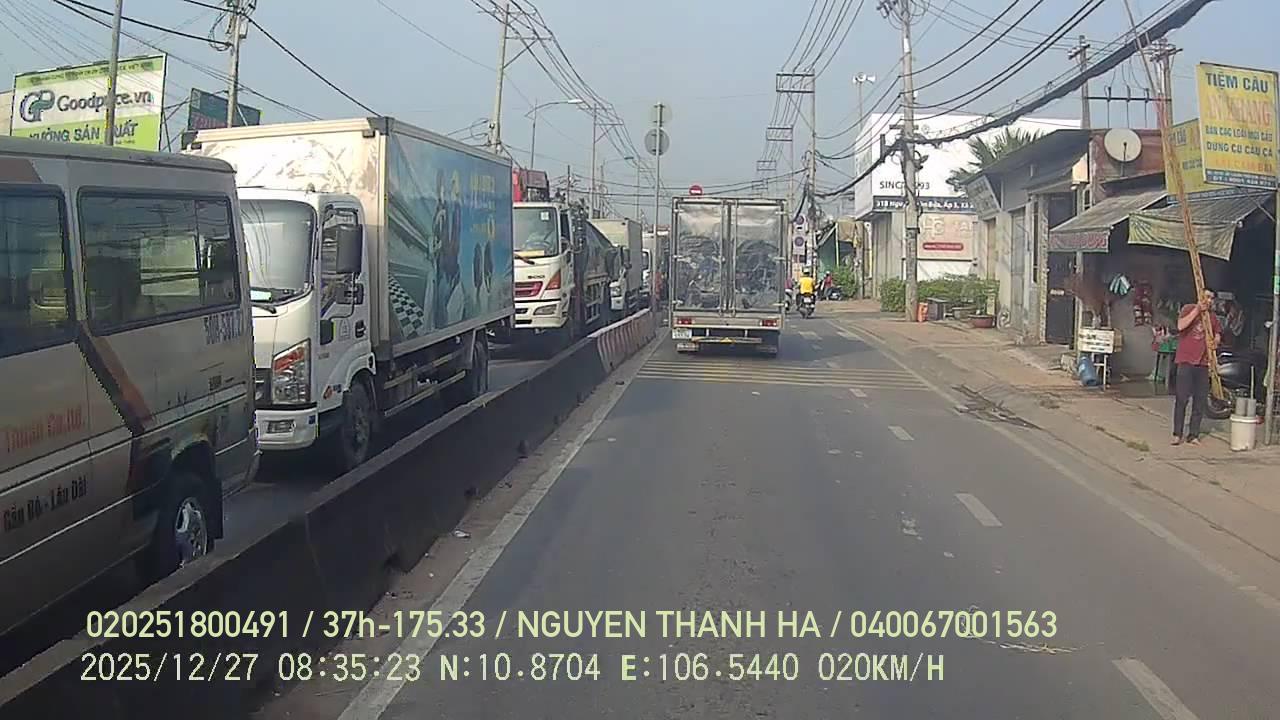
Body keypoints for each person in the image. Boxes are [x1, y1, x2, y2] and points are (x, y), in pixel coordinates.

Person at [1172, 289, 1221, 446]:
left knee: (1199, 401)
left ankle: (1193, 435)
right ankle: (1177, 434)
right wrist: (1197, 310)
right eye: (1206, 297)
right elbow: (1180, 326)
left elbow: (1217, 334)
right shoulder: (1188, 308)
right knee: (1182, 399)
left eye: (1211, 298)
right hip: (1186, 361)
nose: (1209, 300)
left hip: (1203, 363)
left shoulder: (1213, 317)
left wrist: (1216, 341)